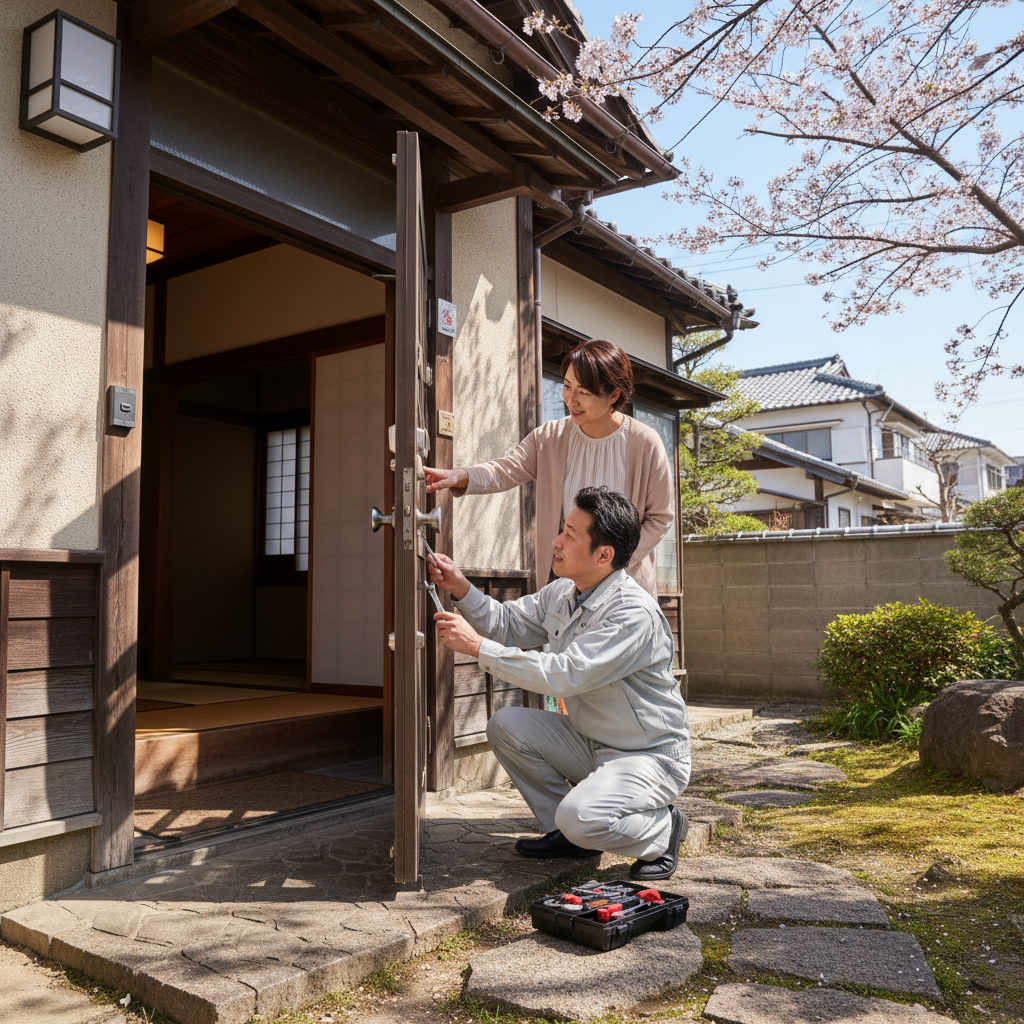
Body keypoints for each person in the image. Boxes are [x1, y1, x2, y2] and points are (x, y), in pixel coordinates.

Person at [427, 486, 690, 881]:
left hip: (648, 755)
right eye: (562, 529)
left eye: (570, 534)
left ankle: (663, 829)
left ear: (604, 555)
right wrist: (461, 587)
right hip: (592, 742)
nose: (557, 542)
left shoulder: (632, 614)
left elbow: (563, 674)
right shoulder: (564, 591)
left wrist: (478, 647)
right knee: (507, 726)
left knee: (581, 815)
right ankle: (567, 834)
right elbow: (508, 624)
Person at [424, 339, 673, 599]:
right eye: (566, 386)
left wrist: (616, 563)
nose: (571, 400)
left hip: (624, 581)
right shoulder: (550, 437)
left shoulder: (644, 442)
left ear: (613, 395)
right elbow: (505, 469)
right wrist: (459, 476)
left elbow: (660, 517)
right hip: (565, 582)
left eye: (584, 392)